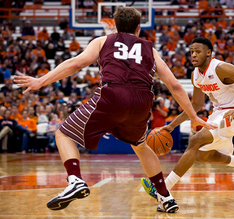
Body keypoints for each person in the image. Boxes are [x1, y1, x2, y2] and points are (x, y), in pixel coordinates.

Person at [14, 7, 213, 213]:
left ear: (114, 26)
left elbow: (76, 64)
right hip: (142, 100)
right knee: (140, 146)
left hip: (113, 95)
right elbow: (175, 86)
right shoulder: (150, 49)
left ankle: (75, 180)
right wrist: (193, 117)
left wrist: (41, 80)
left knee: (63, 133)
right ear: (138, 28)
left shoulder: (103, 41)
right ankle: (165, 196)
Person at [140, 36, 234, 209]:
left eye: (198, 51)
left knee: (195, 141)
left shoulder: (220, 68)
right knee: (203, 155)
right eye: (191, 52)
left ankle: (163, 188)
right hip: (218, 115)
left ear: (208, 53)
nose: (193, 55)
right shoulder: (195, 75)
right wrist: (172, 125)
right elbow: (196, 105)